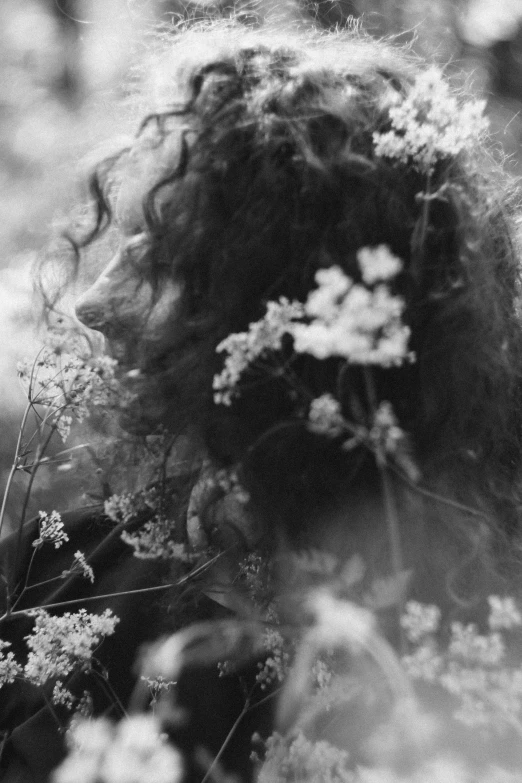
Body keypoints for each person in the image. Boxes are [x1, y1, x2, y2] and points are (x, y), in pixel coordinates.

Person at [2, 20, 522, 783]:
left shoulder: (447, 678)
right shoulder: (63, 567)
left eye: (157, 258)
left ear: (277, 315)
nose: (96, 300)